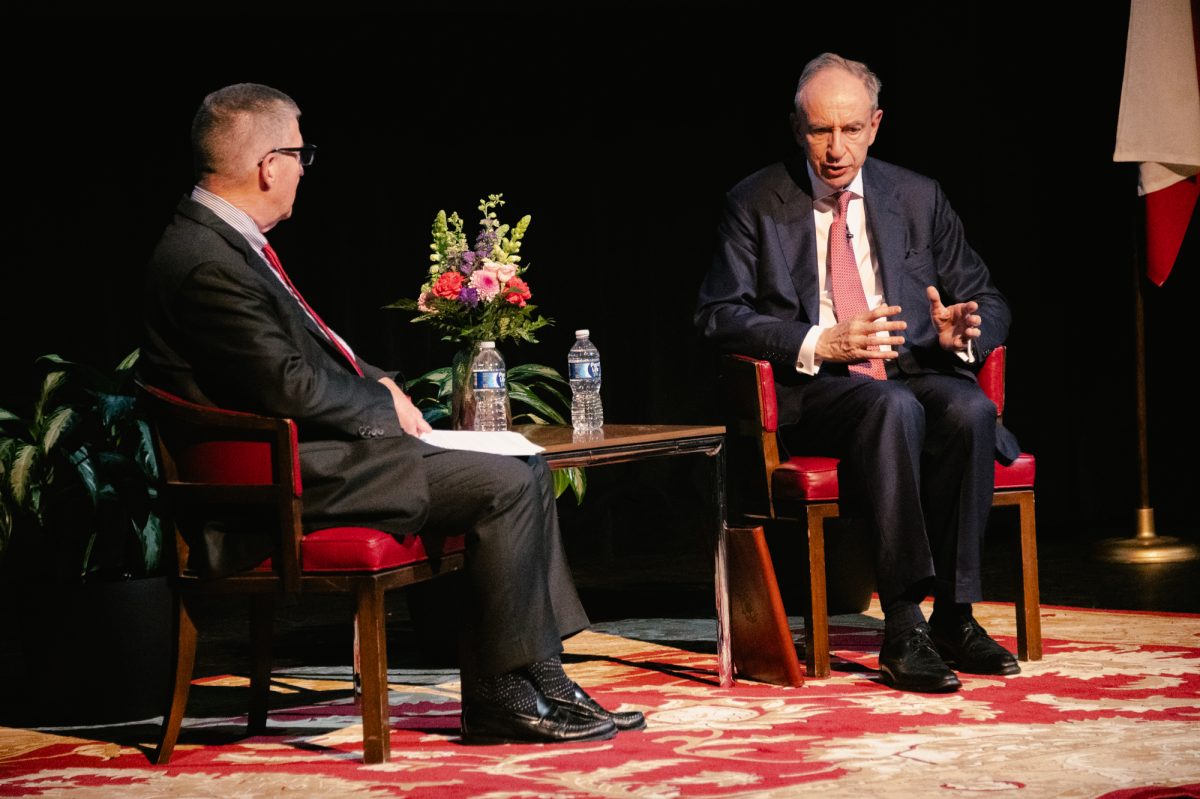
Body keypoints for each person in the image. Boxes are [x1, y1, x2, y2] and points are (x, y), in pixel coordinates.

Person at [140, 83, 644, 742]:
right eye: (300, 154)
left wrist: (387, 387)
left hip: (310, 456)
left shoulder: (223, 242)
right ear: (268, 164)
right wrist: (382, 407)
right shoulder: (205, 260)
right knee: (508, 480)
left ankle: (538, 679)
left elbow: (314, 357)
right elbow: (288, 387)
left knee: (521, 460)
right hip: (280, 483)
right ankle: (503, 692)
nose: (301, 170)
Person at [695, 53, 1022, 693]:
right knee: (890, 408)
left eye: (850, 130)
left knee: (970, 409)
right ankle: (902, 625)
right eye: (821, 131)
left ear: (875, 125)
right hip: (814, 391)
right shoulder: (754, 202)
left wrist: (966, 332)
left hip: (906, 371)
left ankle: (955, 616)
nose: (836, 149)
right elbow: (717, 315)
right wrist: (821, 340)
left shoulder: (918, 196)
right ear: (798, 130)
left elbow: (990, 298)